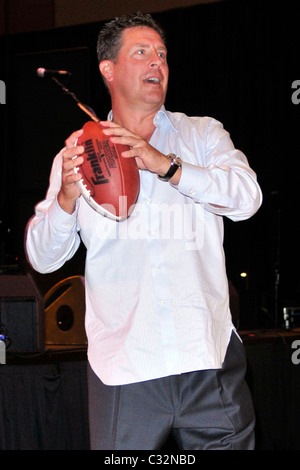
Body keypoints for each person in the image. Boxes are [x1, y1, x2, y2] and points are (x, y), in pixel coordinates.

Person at [25, 12, 262, 450]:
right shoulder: (76, 153)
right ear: (108, 69)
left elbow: (248, 200)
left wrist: (167, 165)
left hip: (207, 359)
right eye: (142, 52)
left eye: (162, 55)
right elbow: (42, 258)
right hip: (125, 368)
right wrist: (66, 201)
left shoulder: (202, 134)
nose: (157, 63)